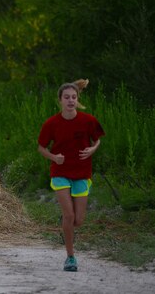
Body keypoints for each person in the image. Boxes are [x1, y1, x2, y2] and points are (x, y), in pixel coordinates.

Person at [37, 80, 105, 272]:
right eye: (66, 97)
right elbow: (41, 147)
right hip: (60, 173)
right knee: (69, 215)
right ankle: (70, 257)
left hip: (82, 173)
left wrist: (92, 149)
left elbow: (97, 140)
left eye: (73, 97)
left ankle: (66, 227)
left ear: (78, 99)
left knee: (78, 220)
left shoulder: (88, 120)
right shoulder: (51, 123)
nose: (70, 101)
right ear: (60, 100)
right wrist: (53, 157)